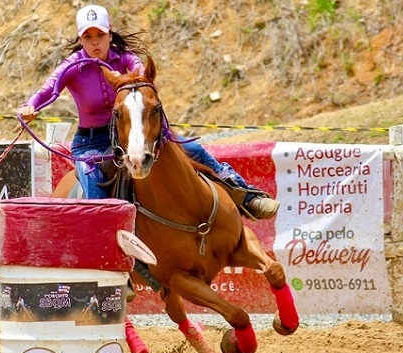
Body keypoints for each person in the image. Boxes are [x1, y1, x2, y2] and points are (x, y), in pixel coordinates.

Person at [18, 4, 279, 219]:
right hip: (92, 144)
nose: (95, 42)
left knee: (195, 151)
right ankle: (101, 248)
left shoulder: (127, 59)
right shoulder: (72, 66)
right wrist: (31, 106)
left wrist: (131, 84)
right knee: (93, 190)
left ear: (110, 35)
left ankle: (248, 198)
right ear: (80, 39)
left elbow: (142, 79)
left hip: (139, 135)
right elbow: (48, 89)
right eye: (88, 37)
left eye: (100, 35)